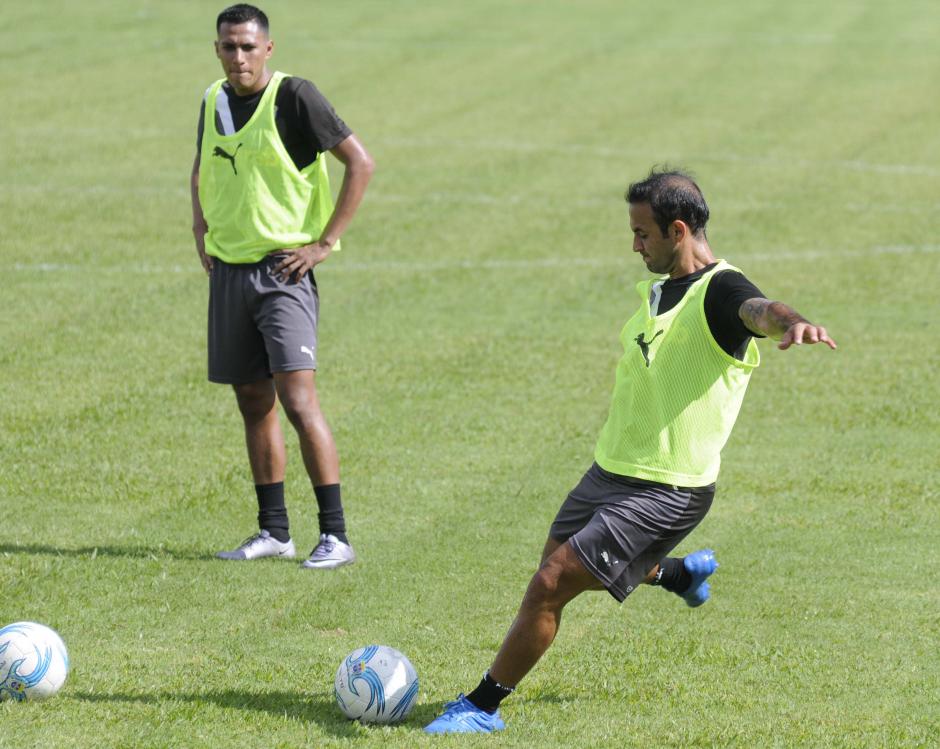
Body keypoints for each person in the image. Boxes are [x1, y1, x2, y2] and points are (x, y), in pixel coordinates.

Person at [424, 168, 837, 733]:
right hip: (611, 468)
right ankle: (677, 577)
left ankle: (481, 705)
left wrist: (796, 323)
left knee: (552, 584)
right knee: (556, 571)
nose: (635, 244)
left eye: (643, 233)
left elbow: (761, 310)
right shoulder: (662, 287)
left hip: (670, 487)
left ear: (678, 229)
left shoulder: (721, 290)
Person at [189, 4, 374, 569]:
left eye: (248, 46)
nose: (238, 56)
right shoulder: (212, 99)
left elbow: (359, 163)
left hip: (281, 272)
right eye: (228, 46)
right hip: (229, 271)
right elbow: (201, 169)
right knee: (252, 401)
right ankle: (274, 531)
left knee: (298, 401)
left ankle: (336, 536)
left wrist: (322, 244)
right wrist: (200, 230)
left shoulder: (295, 97)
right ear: (217, 49)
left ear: (268, 48)